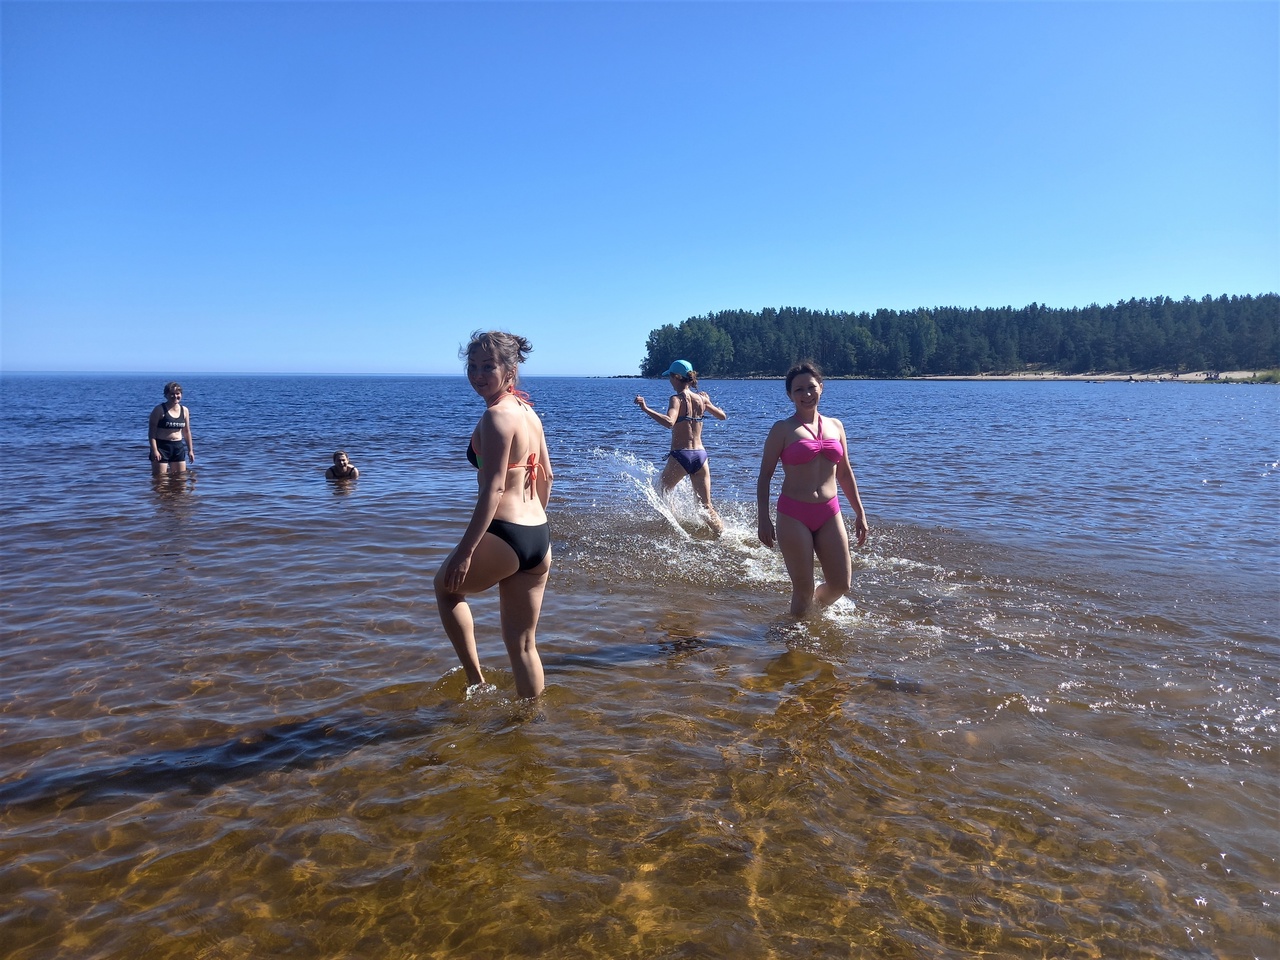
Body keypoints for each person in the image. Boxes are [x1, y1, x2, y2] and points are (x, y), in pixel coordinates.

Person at [434, 331, 554, 699]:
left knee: (446, 590)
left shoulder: (496, 417)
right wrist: (533, 524)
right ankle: (532, 719)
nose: (478, 375)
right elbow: (547, 477)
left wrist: (466, 551)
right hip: (538, 536)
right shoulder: (529, 414)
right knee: (523, 645)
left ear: (509, 371)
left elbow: (495, 489)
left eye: (488, 367)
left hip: (506, 532)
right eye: (472, 366)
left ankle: (476, 681)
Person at [756, 361, 869, 616]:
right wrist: (763, 518)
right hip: (793, 514)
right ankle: (796, 635)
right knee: (803, 588)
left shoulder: (836, 426)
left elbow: (844, 472)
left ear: (821, 387)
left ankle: (812, 611)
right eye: (798, 390)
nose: (806, 394)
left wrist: (859, 512)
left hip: (829, 512)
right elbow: (764, 477)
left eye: (811, 387)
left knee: (841, 584)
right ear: (790, 395)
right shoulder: (782, 429)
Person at [634, 359, 729, 534]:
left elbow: (669, 422)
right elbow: (722, 416)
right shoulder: (701, 399)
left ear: (677, 377)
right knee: (706, 506)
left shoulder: (676, 399)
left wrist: (645, 408)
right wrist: (707, 402)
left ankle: (674, 528)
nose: (670, 381)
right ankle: (723, 535)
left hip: (681, 456)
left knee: (660, 491)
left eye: (670, 377)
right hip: (701, 456)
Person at [148, 381, 194, 477]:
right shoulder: (159, 410)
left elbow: (187, 431)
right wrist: (155, 450)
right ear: (166, 395)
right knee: (160, 479)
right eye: (172, 394)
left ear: (181, 394)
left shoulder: (184, 410)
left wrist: (190, 450)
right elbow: (152, 433)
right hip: (162, 447)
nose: (175, 396)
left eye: (177, 393)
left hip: (178, 447)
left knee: (180, 478)